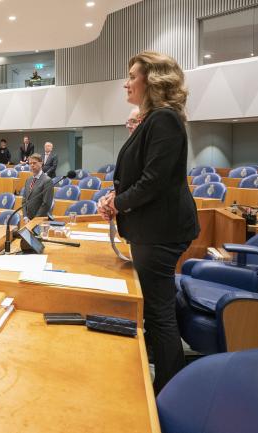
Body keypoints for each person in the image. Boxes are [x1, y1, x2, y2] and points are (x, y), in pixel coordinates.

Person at [97, 51, 200, 394]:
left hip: (160, 231)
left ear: (151, 80)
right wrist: (114, 199)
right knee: (158, 310)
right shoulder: (151, 120)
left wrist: (118, 203)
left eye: (131, 76)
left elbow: (154, 181)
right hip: (152, 228)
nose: (126, 83)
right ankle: (163, 378)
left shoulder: (164, 120)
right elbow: (135, 174)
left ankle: (168, 391)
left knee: (159, 314)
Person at [22, 153, 53, 222]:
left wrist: (35, 220)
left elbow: (46, 204)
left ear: (41, 163)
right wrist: (25, 216)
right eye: (30, 163)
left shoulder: (47, 180)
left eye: (34, 163)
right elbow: (24, 200)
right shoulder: (28, 180)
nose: (32, 165)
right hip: (28, 219)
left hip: (40, 220)